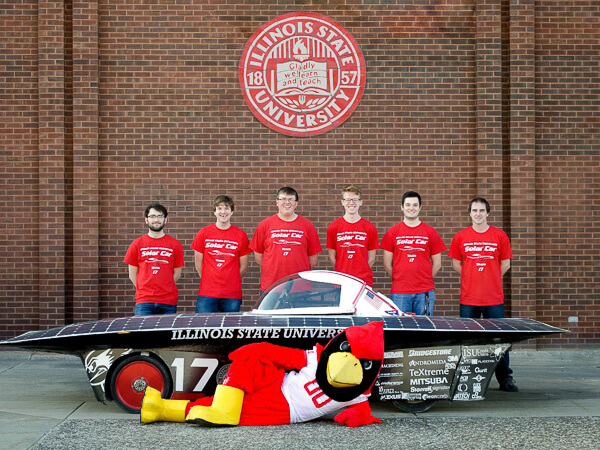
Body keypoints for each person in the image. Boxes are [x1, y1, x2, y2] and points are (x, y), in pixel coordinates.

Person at [448, 196, 518, 392]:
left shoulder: (499, 236)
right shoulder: (461, 236)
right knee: (467, 341)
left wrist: (490, 276)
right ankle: (465, 378)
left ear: (487, 213)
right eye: (474, 211)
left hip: (493, 298)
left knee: (499, 341)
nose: (478, 214)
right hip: (469, 298)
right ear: (470, 213)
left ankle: (505, 379)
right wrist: (472, 276)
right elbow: (456, 263)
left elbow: (505, 264)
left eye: (481, 211)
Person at [380, 191, 446, 315]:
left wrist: (424, 280)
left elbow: (437, 264)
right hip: (400, 291)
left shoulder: (430, 232)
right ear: (402, 207)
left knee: (424, 329)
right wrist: (399, 280)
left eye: (415, 205)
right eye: (408, 205)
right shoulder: (392, 232)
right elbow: (387, 265)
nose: (411, 208)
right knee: (401, 329)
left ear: (420, 207)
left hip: (424, 291)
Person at [250, 187, 322, 293]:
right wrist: (273, 267)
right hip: (271, 286)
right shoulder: (265, 225)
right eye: (283, 199)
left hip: (300, 287)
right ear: (277, 202)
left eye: (291, 199)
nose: (287, 203)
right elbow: (258, 257)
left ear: (296, 203)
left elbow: (313, 260)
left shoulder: (307, 225)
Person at [190, 195, 251, 313]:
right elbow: (198, 265)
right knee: (204, 328)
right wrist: (210, 281)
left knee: (230, 329)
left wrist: (229, 280)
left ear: (232, 211)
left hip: (231, 294)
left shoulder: (241, 235)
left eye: (227, 208)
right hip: (207, 293)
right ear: (214, 212)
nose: (223, 212)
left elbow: (243, 267)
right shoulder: (203, 233)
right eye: (219, 208)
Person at [124, 202, 184, 316]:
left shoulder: (175, 245)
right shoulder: (137, 244)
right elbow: (132, 275)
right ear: (146, 220)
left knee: (166, 333)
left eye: (160, 216)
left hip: (168, 301)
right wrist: (145, 290)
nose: (156, 220)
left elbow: (177, 273)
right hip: (144, 302)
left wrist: (164, 286)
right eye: (152, 216)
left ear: (166, 219)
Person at [326, 185, 379, 286]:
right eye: (348, 199)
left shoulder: (370, 228)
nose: (351, 203)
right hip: (341, 280)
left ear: (360, 202)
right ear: (342, 202)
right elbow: (332, 258)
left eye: (355, 199)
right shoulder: (333, 227)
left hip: (363, 281)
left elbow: (371, 259)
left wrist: (361, 272)